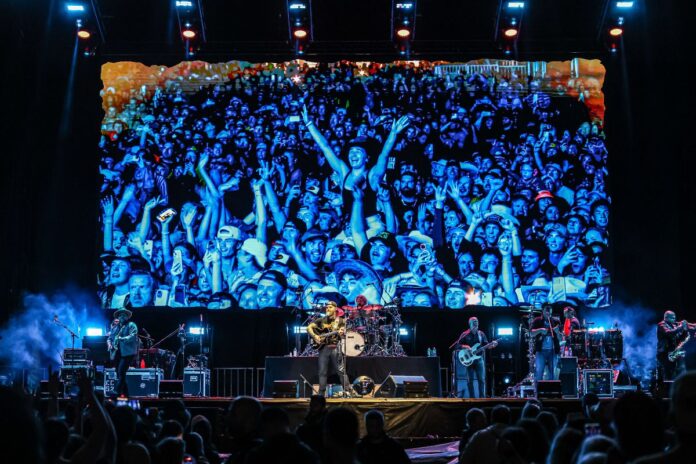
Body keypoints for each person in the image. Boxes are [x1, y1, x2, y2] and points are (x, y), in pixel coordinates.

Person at [307, 301, 348, 396]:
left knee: (341, 371)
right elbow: (309, 327)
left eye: (330, 307)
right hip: (323, 348)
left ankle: (347, 391)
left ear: (335, 309)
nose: (327, 309)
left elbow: (342, 334)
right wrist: (315, 336)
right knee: (322, 371)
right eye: (326, 307)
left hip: (335, 347)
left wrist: (342, 332)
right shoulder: (321, 320)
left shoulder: (341, 321)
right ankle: (321, 393)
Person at [455, 316, 497, 398]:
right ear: (469, 323)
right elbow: (457, 345)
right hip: (469, 360)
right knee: (469, 380)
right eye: (474, 321)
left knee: (481, 380)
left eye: (477, 321)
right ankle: (472, 398)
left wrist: (493, 345)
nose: (476, 322)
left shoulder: (481, 334)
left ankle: (481, 398)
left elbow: (486, 345)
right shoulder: (465, 334)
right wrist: (465, 346)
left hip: (479, 359)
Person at [107, 308, 139, 397]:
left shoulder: (131, 325)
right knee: (119, 372)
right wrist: (109, 344)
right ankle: (126, 393)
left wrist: (121, 339)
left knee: (121, 371)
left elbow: (133, 336)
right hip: (117, 353)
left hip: (128, 353)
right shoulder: (115, 327)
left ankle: (116, 391)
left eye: (124, 315)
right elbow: (110, 338)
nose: (122, 317)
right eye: (120, 315)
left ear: (127, 317)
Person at [656, 310, 694, 381]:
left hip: (673, 352)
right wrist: (680, 327)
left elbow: (679, 339)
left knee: (677, 372)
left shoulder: (674, 326)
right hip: (664, 353)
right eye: (672, 318)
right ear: (666, 318)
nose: (674, 320)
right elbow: (669, 333)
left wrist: (685, 330)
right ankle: (666, 390)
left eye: (674, 318)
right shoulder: (661, 324)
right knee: (667, 374)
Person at [531, 304, 561, 381]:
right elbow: (531, 333)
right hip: (541, 350)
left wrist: (558, 333)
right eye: (546, 312)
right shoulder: (537, 320)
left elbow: (560, 338)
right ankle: (538, 391)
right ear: (543, 311)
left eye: (550, 313)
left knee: (553, 373)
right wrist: (540, 330)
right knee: (539, 372)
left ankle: (552, 391)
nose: (548, 314)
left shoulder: (556, 321)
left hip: (553, 351)